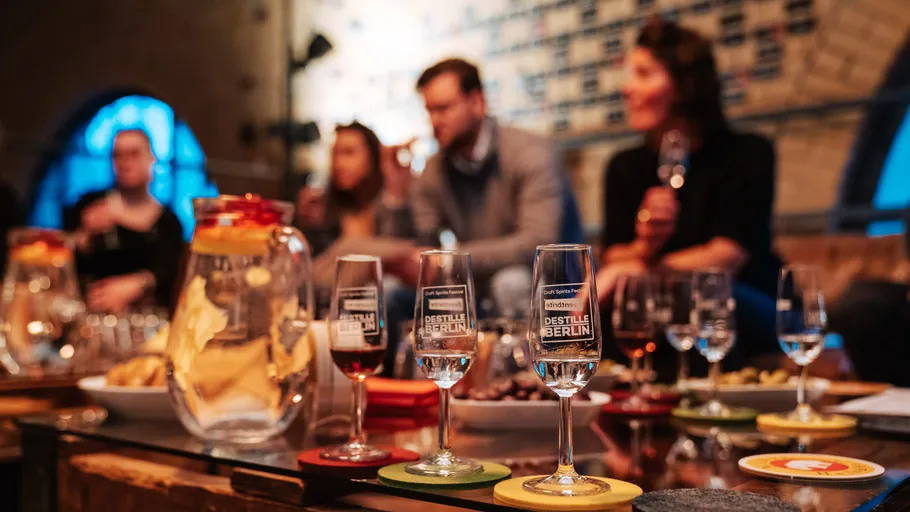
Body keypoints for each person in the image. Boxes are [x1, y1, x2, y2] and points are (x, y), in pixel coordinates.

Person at [596, 19, 781, 376]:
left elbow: (726, 257)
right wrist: (646, 244)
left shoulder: (747, 153)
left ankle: (712, 410)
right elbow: (615, 252)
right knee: (615, 307)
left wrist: (634, 268)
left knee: (701, 298)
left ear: (684, 85)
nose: (627, 88)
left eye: (643, 74)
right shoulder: (624, 165)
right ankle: (623, 410)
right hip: (657, 297)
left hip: (743, 296)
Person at [382, 58, 584, 316]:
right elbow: (420, 249)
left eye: (443, 109)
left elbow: (537, 243)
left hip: (556, 288)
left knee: (510, 283)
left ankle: (528, 357)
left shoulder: (531, 153)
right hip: (478, 285)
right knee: (390, 290)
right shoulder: (433, 170)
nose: (434, 121)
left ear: (478, 103)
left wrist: (449, 260)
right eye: (429, 111)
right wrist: (398, 194)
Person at [63, 129, 185, 314]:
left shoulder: (168, 222)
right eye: (118, 155)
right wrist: (85, 234)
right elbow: (63, 258)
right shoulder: (89, 205)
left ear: (151, 158)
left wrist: (138, 284)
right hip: (92, 316)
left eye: (134, 154)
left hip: (146, 323)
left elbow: (173, 272)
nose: (125, 163)